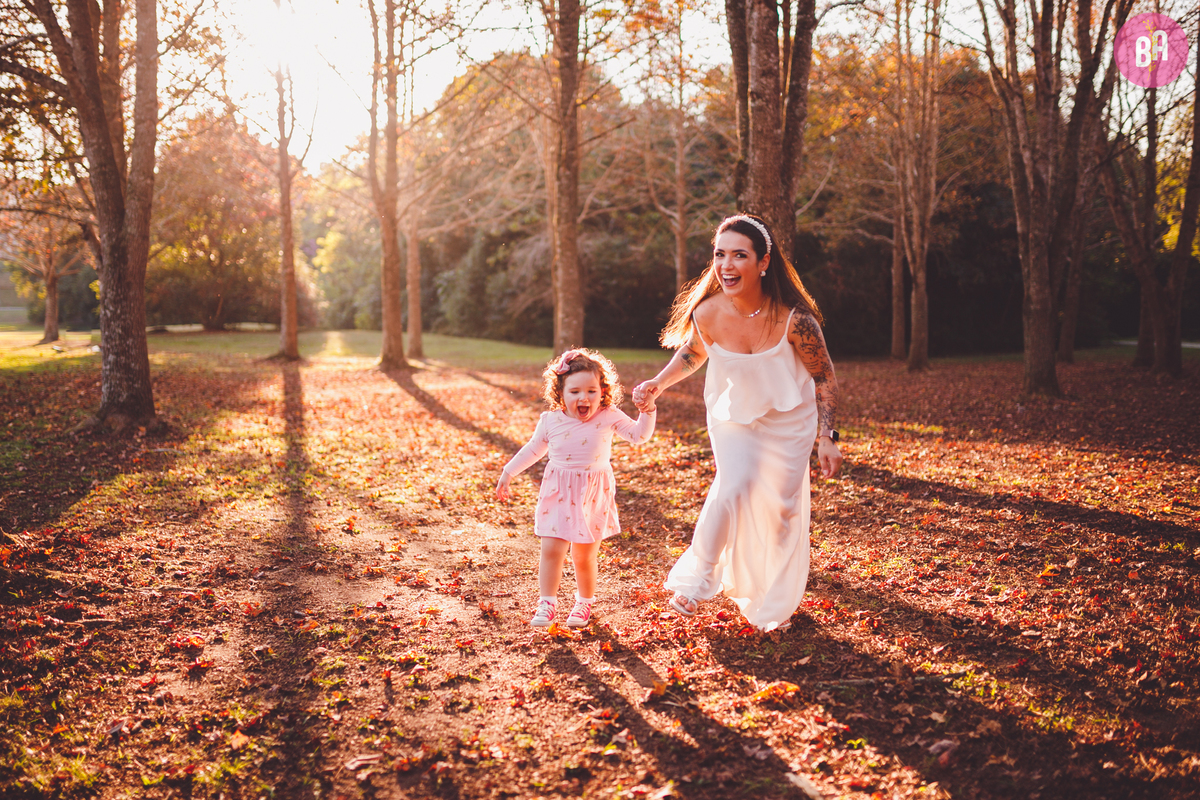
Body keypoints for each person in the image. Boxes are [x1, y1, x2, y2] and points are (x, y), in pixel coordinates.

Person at [632, 213, 842, 632]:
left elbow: (824, 377)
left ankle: (770, 601)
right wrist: (657, 383)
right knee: (735, 484)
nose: (726, 265)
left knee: (779, 511)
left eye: (739, 255)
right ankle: (696, 581)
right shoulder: (708, 312)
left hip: (789, 422)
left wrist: (828, 436)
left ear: (763, 263)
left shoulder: (795, 320)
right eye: (719, 255)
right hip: (733, 419)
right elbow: (693, 354)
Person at [497, 348, 657, 628]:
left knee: (583, 555)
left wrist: (649, 411)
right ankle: (547, 603)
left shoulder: (608, 416)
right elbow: (533, 449)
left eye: (591, 391)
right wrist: (508, 471)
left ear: (602, 391)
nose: (584, 398)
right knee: (551, 550)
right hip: (558, 491)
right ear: (561, 394)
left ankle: (583, 604)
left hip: (593, 494)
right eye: (575, 392)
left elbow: (639, 435)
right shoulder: (551, 420)